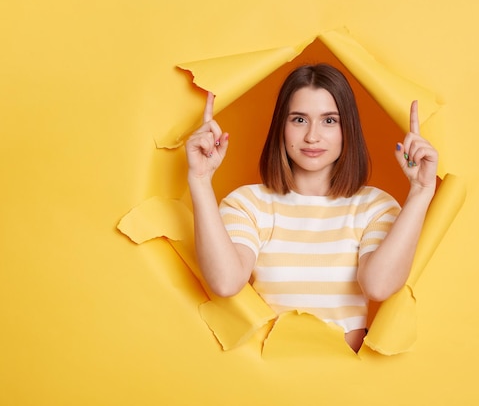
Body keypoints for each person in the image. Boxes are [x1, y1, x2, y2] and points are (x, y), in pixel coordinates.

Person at [185, 63, 438, 352]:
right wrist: (200, 179)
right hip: (265, 379)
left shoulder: (375, 206)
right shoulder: (247, 204)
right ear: (282, 125)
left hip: (347, 381)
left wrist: (421, 191)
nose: (312, 136)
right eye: (299, 120)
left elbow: (378, 286)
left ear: (348, 129)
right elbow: (226, 282)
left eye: (329, 120)